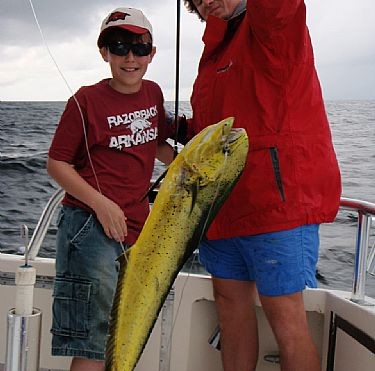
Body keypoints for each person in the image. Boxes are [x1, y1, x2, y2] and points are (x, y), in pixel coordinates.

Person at [182, 1, 341, 371]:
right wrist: (178, 128)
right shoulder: (216, 47)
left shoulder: (272, 23)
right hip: (221, 208)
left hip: (275, 206)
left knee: (287, 322)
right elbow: (218, 125)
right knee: (230, 311)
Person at [47, 7, 174, 371]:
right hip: (90, 228)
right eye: (119, 47)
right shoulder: (84, 101)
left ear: (152, 53)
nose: (130, 57)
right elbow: (56, 164)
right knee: (94, 342)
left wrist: (189, 165)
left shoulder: (153, 93)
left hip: (136, 227)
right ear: (104, 52)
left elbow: (156, 144)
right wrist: (102, 205)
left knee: (122, 334)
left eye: (139, 47)